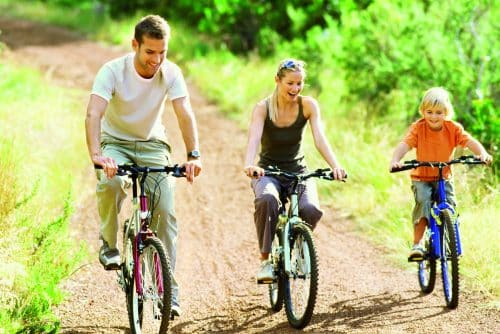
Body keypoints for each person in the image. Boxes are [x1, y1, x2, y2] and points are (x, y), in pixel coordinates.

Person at [85, 14, 202, 316]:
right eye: (150, 52)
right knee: (110, 183)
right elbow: (93, 114)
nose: (157, 59)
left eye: (162, 52)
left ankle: (170, 293)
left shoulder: (170, 72)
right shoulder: (113, 71)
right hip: (116, 144)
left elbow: (184, 113)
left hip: (152, 145)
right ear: (135, 44)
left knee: (165, 212)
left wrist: (193, 155)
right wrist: (98, 155)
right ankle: (109, 246)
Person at [243, 58, 346, 283]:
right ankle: (266, 261)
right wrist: (250, 164)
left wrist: (335, 166)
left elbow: (320, 138)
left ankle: (297, 243)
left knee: (310, 208)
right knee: (267, 200)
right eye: (290, 83)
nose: (295, 88)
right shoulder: (263, 108)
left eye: (299, 83)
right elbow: (253, 138)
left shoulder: (308, 105)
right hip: (267, 172)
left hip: (298, 170)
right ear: (277, 81)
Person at [389, 87, 492, 261]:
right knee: (423, 203)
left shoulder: (453, 128)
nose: (434, 117)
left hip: (443, 177)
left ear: (446, 112)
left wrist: (482, 153)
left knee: (450, 206)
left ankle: (452, 242)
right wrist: (395, 160)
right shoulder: (418, 128)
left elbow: (469, 142)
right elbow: (405, 144)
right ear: (423, 111)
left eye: (439, 112)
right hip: (421, 177)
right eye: (429, 112)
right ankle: (418, 245)